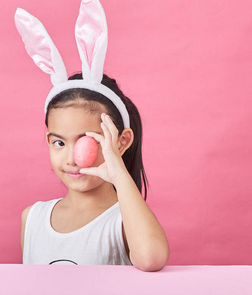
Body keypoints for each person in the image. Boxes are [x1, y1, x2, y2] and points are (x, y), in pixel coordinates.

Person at [15, 0, 169, 271]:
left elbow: (151, 259)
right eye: (59, 142)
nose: (73, 158)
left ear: (121, 142)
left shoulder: (124, 221)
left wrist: (119, 175)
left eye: (87, 141)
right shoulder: (33, 218)